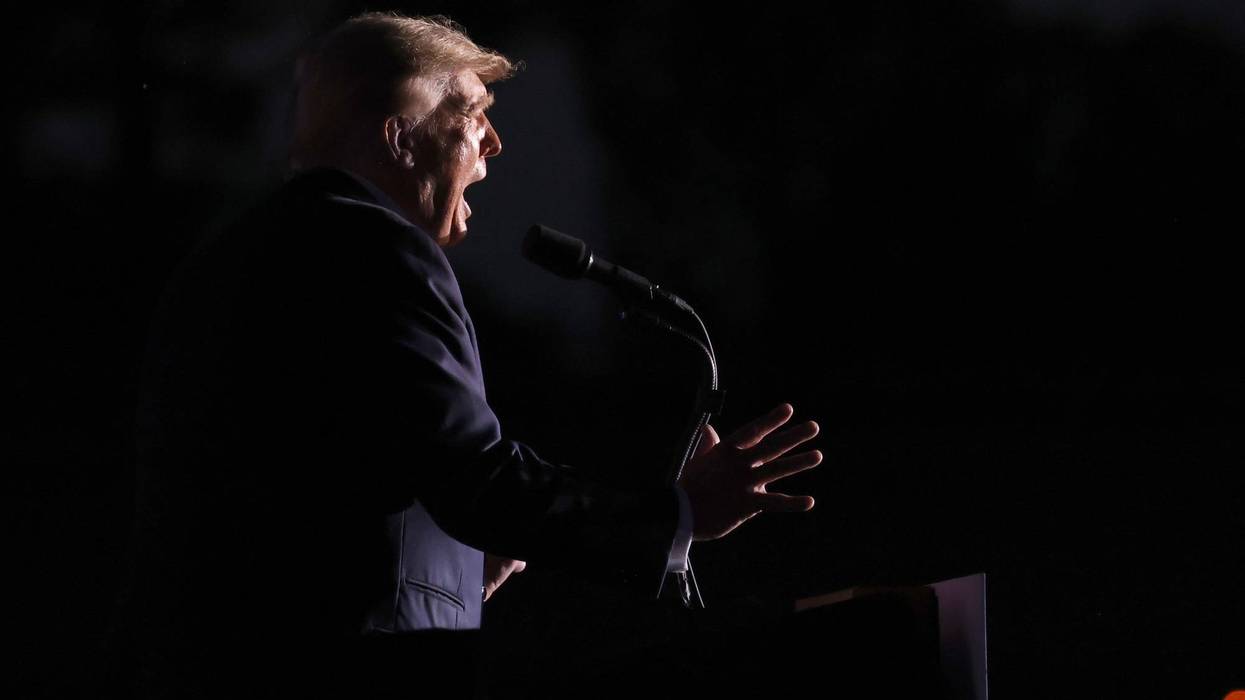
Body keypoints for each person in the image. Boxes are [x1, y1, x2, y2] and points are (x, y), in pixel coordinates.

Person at [119, 11, 822, 698]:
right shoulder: (381, 249)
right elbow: (475, 481)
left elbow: (315, 482)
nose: (495, 143)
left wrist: (459, 563)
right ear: (399, 138)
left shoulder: (228, 258)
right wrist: (678, 514)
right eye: (474, 112)